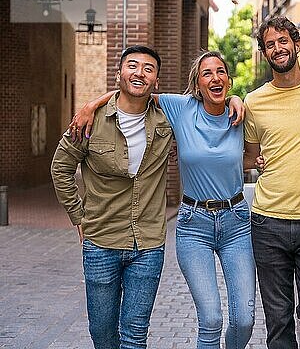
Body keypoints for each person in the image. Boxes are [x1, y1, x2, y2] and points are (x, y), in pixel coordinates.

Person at [68, 51, 253, 349]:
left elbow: (251, 154)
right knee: (211, 320)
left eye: (221, 72)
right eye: (207, 73)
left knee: (244, 320)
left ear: (229, 81)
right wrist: (92, 104)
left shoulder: (241, 113)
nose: (215, 78)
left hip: (237, 221)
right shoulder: (179, 108)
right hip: (195, 222)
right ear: (196, 84)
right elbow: (134, 91)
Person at [51, 45, 173, 348]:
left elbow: (206, 102)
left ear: (156, 80)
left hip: (148, 244)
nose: (139, 73)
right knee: (103, 334)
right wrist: (78, 217)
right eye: (132, 65)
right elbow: (60, 168)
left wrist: (235, 98)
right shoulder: (91, 121)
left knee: (134, 335)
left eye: (148, 68)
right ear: (119, 72)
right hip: (101, 243)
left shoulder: (168, 118)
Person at [243, 16, 300, 349]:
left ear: (297, 44)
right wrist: (256, 162)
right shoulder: (254, 102)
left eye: (283, 41)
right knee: (278, 319)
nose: (278, 48)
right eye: (270, 44)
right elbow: (248, 157)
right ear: (264, 53)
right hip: (268, 222)